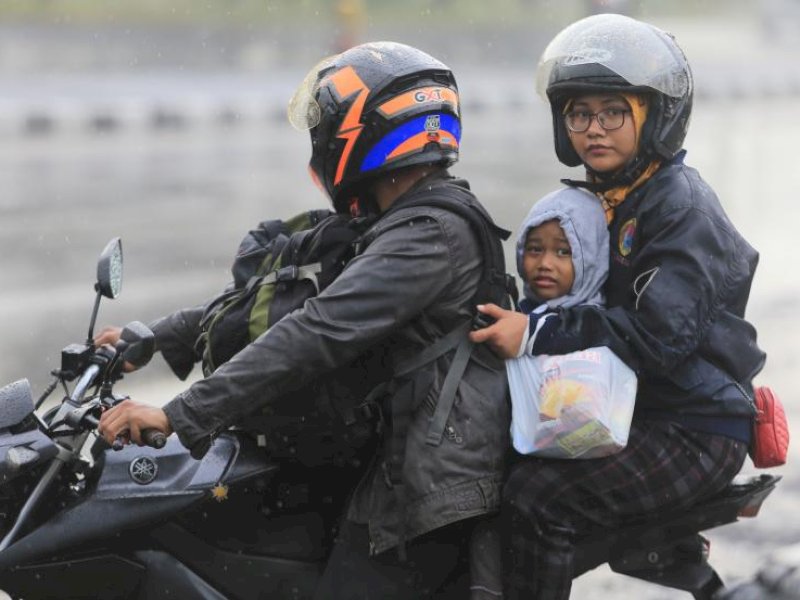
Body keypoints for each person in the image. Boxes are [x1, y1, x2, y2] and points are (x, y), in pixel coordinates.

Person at [98, 41, 510, 599]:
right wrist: (151, 338)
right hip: (381, 462)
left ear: (366, 133)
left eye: (328, 127)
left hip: (426, 485)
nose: (320, 142)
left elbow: (316, 329)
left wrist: (181, 415)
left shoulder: (429, 235)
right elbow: (279, 296)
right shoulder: (393, 221)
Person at [469, 14, 766, 599]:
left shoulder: (681, 210)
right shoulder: (609, 199)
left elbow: (658, 338)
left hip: (693, 423)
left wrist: (534, 333)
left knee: (539, 500)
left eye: (613, 113)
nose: (593, 130)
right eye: (579, 113)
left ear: (654, 116)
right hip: (636, 406)